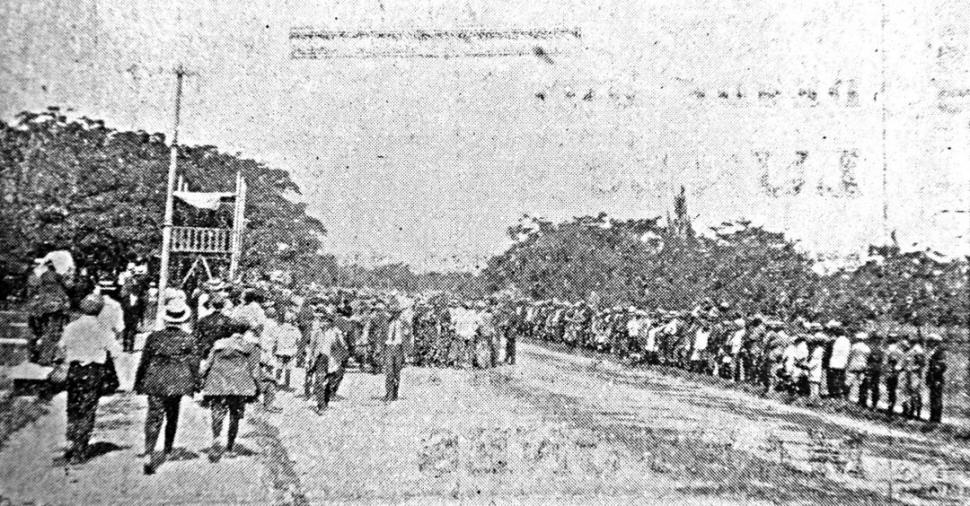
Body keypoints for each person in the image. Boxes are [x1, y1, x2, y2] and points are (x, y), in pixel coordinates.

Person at [134, 299, 200, 475]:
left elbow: (144, 361)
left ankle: (149, 454)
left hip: (155, 380)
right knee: (172, 414)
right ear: (182, 320)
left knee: (154, 416)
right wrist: (196, 382)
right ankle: (168, 449)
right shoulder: (188, 339)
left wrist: (139, 381)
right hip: (177, 381)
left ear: (166, 318)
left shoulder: (154, 337)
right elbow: (194, 363)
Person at [55, 294, 123, 464]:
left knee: (73, 407)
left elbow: (61, 347)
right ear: (99, 310)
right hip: (93, 372)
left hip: (75, 371)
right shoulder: (103, 328)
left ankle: (70, 442)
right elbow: (116, 352)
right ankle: (80, 449)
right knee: (88, 410)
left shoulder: (71, 327)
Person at [199, 329, 261, 462]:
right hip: (238, 387)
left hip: (218, 384)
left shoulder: (218, 344)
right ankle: (229, 448)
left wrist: (200, 378)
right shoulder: (250, 348)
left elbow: (207, 364)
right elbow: (255, 372)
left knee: (217, 414)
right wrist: (257, 388)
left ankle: (216, 438)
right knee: (235, 417)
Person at [27, 260, 71, 365]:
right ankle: (49, 357)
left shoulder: (42, 283)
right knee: (53, 334)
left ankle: (38, 356)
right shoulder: (59, 285)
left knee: (42, 333)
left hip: (43, 310)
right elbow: (67, 290)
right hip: (55, 310)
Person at [306, 311, 347, 414]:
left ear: (331, 322)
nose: (323, 323)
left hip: (332, 360)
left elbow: (342, 346)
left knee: (331, 382)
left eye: (326, 321)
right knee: (319, 382)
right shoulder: (316, 332)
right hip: (320, 358)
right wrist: (308, 360)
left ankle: (326, 400)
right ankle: (321, 406)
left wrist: (340, 356)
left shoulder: (336, 332)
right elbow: (311, 347)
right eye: (322, 321)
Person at [193, 294, 238, 360]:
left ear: (211, 305)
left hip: (207, 351)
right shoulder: (229, 321)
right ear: (224, 305)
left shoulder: (203, 320)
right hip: (223, 352)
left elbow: (197, 336)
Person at [384, 302, 407, 401]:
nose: (395, 314)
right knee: (389, 372)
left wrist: (406, 351)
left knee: (397, 372)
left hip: (399, 348)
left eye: (397, 313)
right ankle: (389, 393)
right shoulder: (387, 322)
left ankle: (395, 393)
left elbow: (408, 337)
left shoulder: (403, 323)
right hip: (389, 347)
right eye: (393, 313)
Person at [274, 312, 300, 390]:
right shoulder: (295, 330)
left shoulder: (279, 328)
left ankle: (276, 384)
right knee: (288, 369)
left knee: (279, 368)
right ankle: (287, 385)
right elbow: (299, 340)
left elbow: (275, 339)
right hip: (290, 351)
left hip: (280, 351)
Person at [902, 334, 926, 419]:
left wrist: (913, 368)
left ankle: (915, 413)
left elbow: (922, 364)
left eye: (911, 341)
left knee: (914, 393)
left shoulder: (918, 350)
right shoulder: (911, 349)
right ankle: (910, 411)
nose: (910, 342)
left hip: (915, 374)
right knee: (909, 393)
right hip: (909, 373)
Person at [925, 333, 946, 424]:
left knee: (937, 398)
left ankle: (936, 418)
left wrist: (936, 376)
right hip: (933, 377)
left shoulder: (939, 352)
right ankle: (933, 416)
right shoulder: (933, 351)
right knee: (933, 397)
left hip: (937, 378)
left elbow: (942, 366)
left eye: (931, 341)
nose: (929, 343)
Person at [846, 332, 871, 406]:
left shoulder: (854, 346)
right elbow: (867, 357)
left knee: (849, 381)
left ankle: (848, 396)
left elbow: (850, 355)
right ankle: (860, 398)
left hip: (854, 364)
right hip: (863, 365)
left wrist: (848, 363)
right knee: (861, 382)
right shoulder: (867, 348)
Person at [883, 333, 906, 416]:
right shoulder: (900, 351)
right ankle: (902, 409)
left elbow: (885, 362)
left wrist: (885, 372)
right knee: (898, 391)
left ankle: (890, 408)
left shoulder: (888, 350)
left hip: (890, 372)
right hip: (898, 373)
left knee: (891, 391)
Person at [827, 326, 851, 398]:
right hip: (843, 363)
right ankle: (843, 394)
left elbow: (833, 353)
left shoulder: (836, 341)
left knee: (834, 379)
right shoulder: (847, 341)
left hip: (835, 363)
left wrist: (830, 364)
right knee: (842, 379)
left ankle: (835, 394)